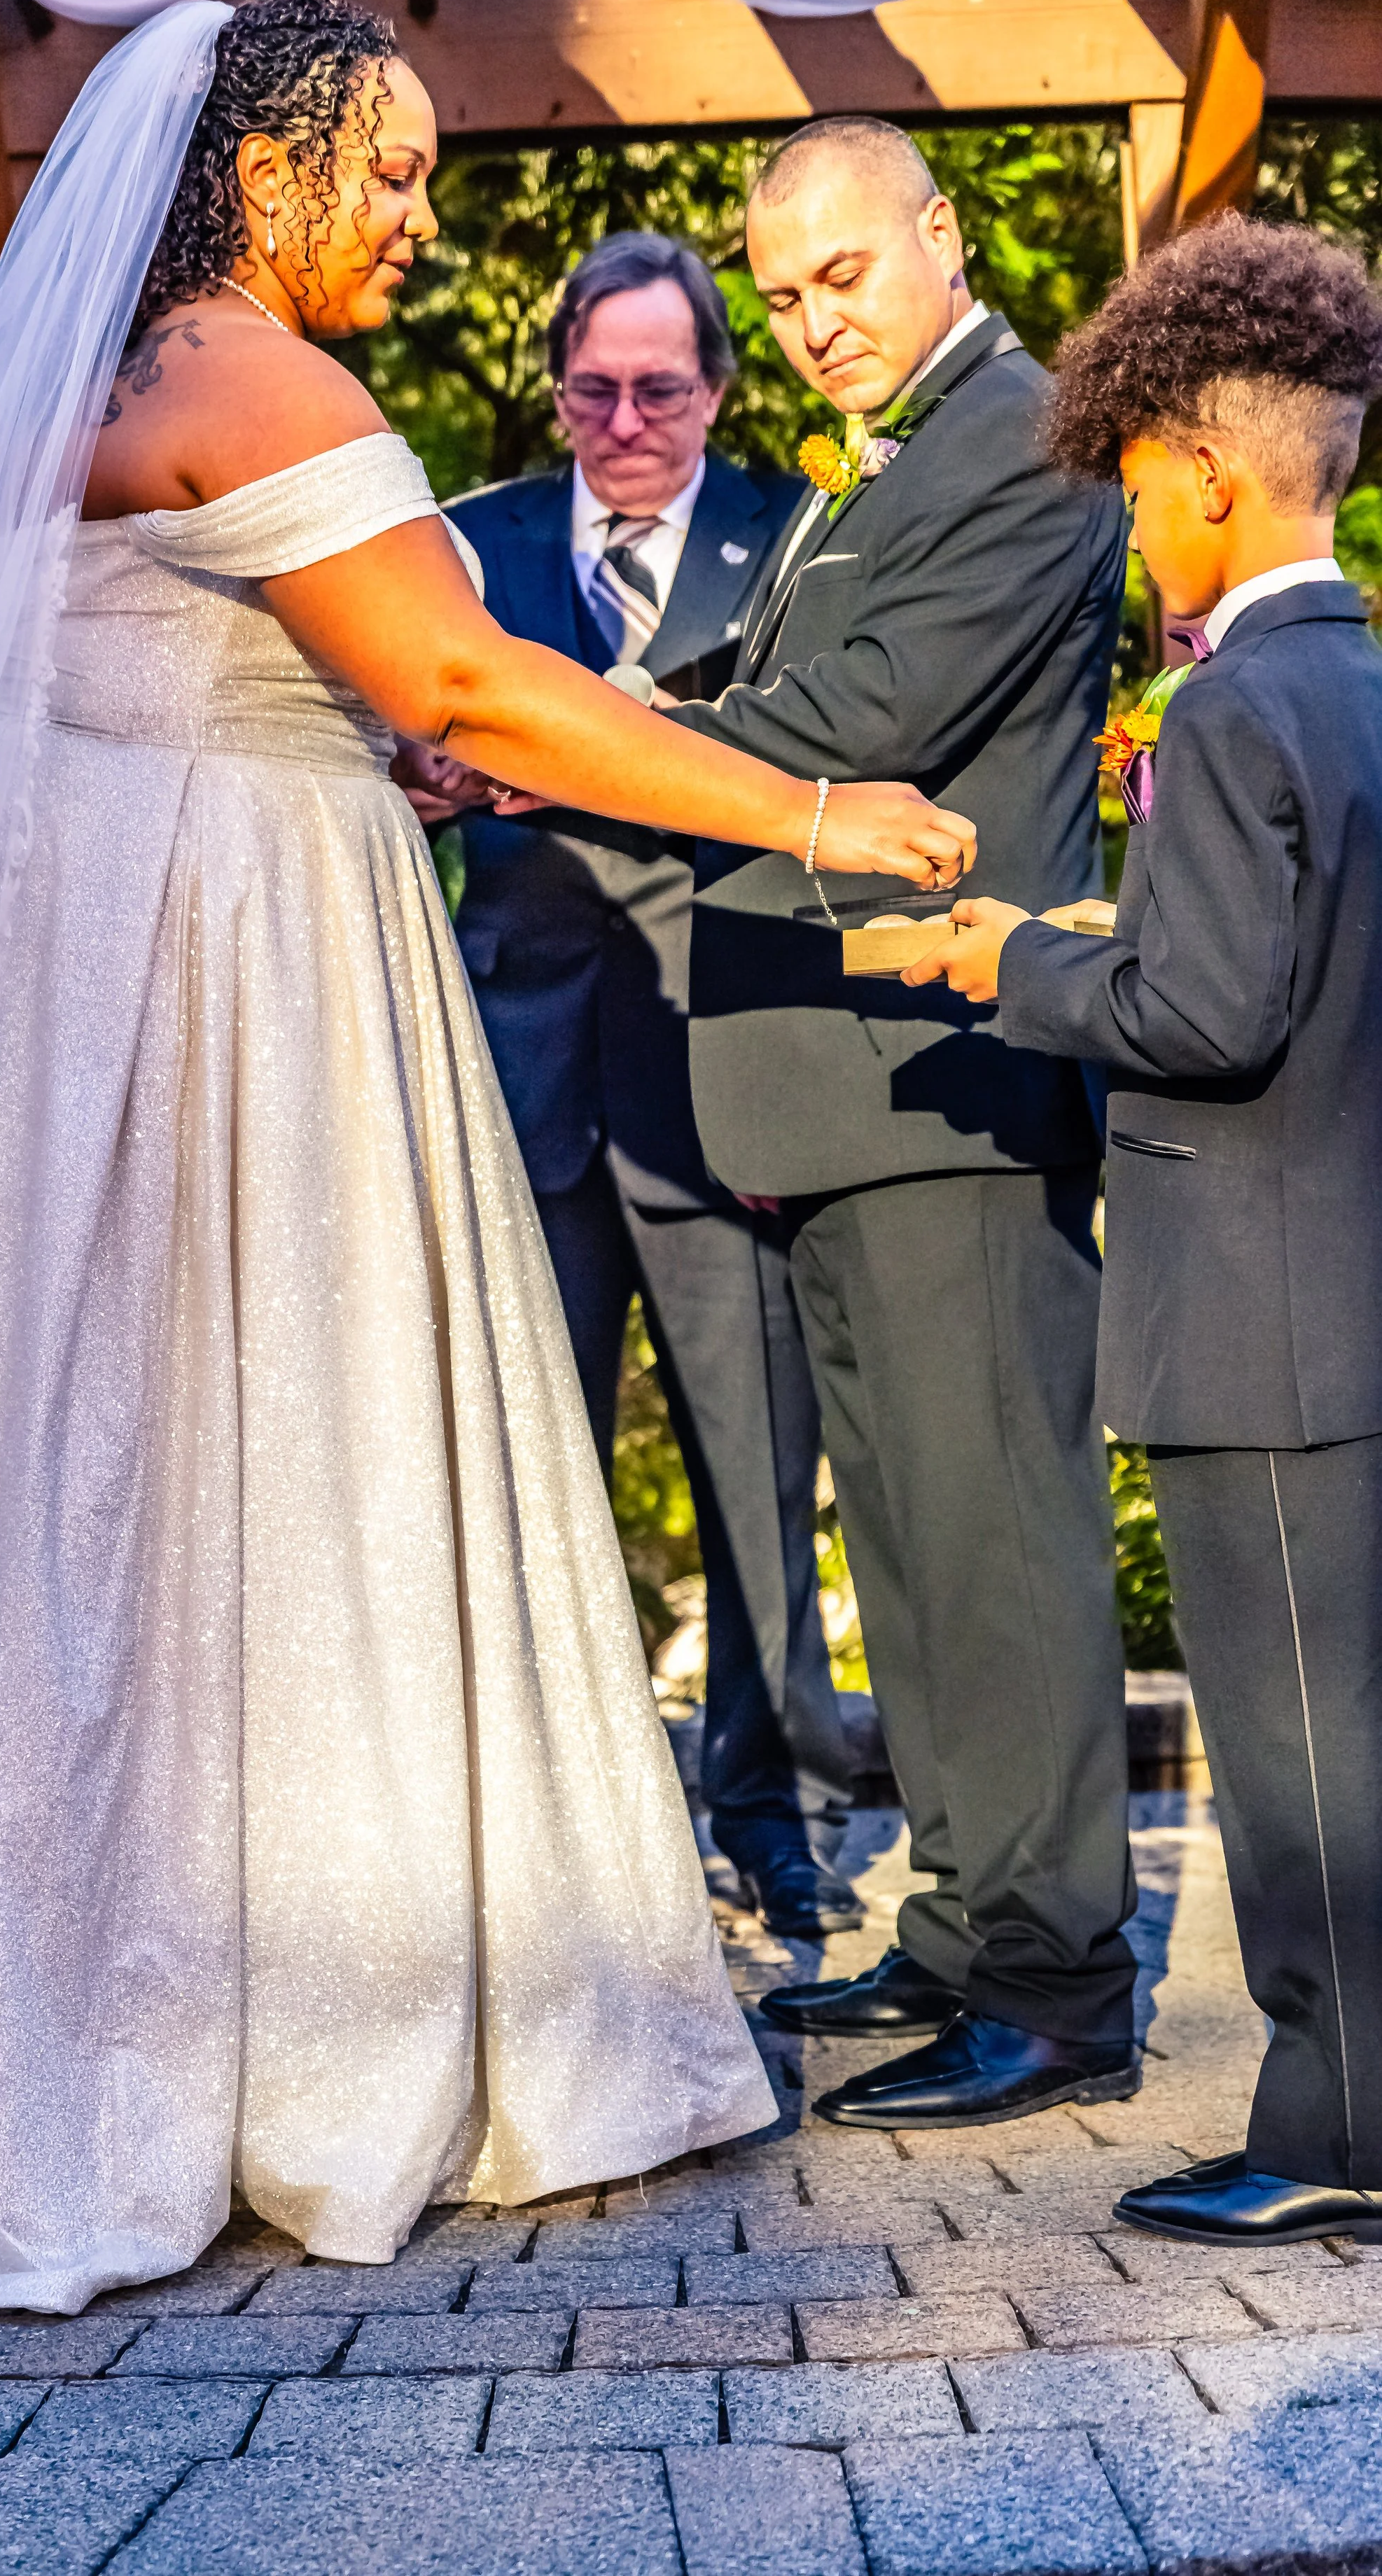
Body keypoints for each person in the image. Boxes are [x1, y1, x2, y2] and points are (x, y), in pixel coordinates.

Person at [0, 0, 972, 2311]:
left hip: (111, 1008)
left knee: (91, 1519)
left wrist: (370, 741)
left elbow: (214, 678)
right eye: (391, 167)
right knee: (262, 1487)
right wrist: (813, 810)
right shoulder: (259, 374)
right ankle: (267, 2052)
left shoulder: (95, 382)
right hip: (232, 1005)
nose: (418, 218)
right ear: (261, 171)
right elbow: (464, 677)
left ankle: (65, 2018)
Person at [909, 216, 1382, 2242]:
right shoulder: (1355, 683)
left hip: (1259, 1332)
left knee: (1298, 1772)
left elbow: (1202, 1015)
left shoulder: (1219, 717)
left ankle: (1334, 2131)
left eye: (1127, 484)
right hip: (1345, 1297)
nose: (1128, 528)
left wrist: (1016, 956)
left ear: (1196, 463)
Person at [666, 116, 1140, 2129]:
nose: (806, 326)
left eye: (837, 276)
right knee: (918, 1555)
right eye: (775, 299)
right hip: (847, 1090)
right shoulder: (898, 452)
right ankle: (960, 1928)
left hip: (947, 1078)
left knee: (996, 1545)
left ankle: (1053, 1978)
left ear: (937, 239)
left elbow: (855, 713)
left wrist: (566, 734)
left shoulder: (1028, 435)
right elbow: (778, 669)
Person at [430, 234, 864, 1941]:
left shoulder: (797, 539)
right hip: (521, 1077)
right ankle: (567, 1851)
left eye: (659, 387)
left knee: (759, 1470)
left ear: (717, 389)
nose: (623, 418)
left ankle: (772, 1816)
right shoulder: (468, 544)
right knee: (526, 1477)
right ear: (558, 390)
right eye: (593, 388)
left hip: (724, 1079)